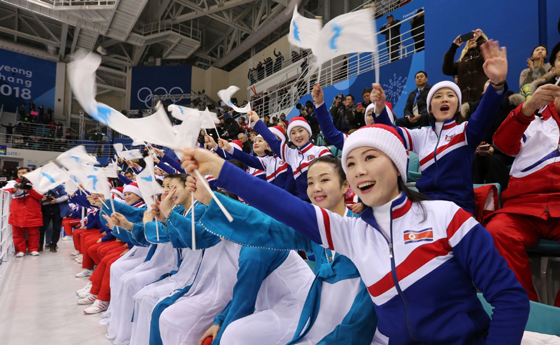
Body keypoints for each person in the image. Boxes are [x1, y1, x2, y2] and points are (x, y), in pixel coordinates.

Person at [180, 121, 530, 345]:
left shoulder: (446, 217)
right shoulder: (350, 233)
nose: (360, 170)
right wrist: (221, 172)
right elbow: (281, 208)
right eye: (350, 162)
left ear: (396, 164)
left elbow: (510, 298)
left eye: (370, 158)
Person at [194, 155, 377, 344]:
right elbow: (267, 226)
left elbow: (363, 315)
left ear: (345, 185)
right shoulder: (317, 232)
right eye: (310, 182)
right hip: (317, 321)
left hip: (359, 332)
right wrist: (211, 200)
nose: (316, 188)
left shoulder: (364, 231)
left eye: (324, 180)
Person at [373, 39, 508, 215]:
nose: (444, 99)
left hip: (458, 210)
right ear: (429, 108)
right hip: (425, 209)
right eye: (438, 96)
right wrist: (380, 109)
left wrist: (497, 84)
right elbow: (390, 134)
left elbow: (485, 113)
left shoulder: (466, 131)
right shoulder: (420, 136)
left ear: (458, 106)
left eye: (451, 95)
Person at [484, 41, 560, 307]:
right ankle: (525, 316)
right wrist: (526, 109)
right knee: (496, 232)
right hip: (523, 209)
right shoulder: (531, 115)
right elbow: (503, 145)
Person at [442, 29, 488, 103]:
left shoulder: (484, 56)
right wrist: (453, 47)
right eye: (470, 38)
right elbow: (447, 70)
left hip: (482, 100)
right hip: (464, 104)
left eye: (475, 37)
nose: (472, 39)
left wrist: (480, 40)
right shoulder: (461, 62)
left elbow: (487, 55)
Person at [6, 167, 43, 257]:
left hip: (32, 212)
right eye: (19, 173)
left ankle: (33, 249)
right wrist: (14, 189)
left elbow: (40, 196)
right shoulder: (12, 183)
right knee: (17, 233)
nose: (21, 174)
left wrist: (29, 190)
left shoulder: (36, 183)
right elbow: (4, 191)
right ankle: (20, 250)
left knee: (34, 233)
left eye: (23, 172)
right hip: (17, 212)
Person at [39, 184, 70, 253]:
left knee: (56, 228)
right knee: (41, 228)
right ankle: (40, 246)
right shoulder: (40, 185)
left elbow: (66, 196)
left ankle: (53, 245)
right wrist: (42, 198)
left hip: (57, 210)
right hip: (44, 210)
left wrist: (56, 200)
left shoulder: (58, 186)